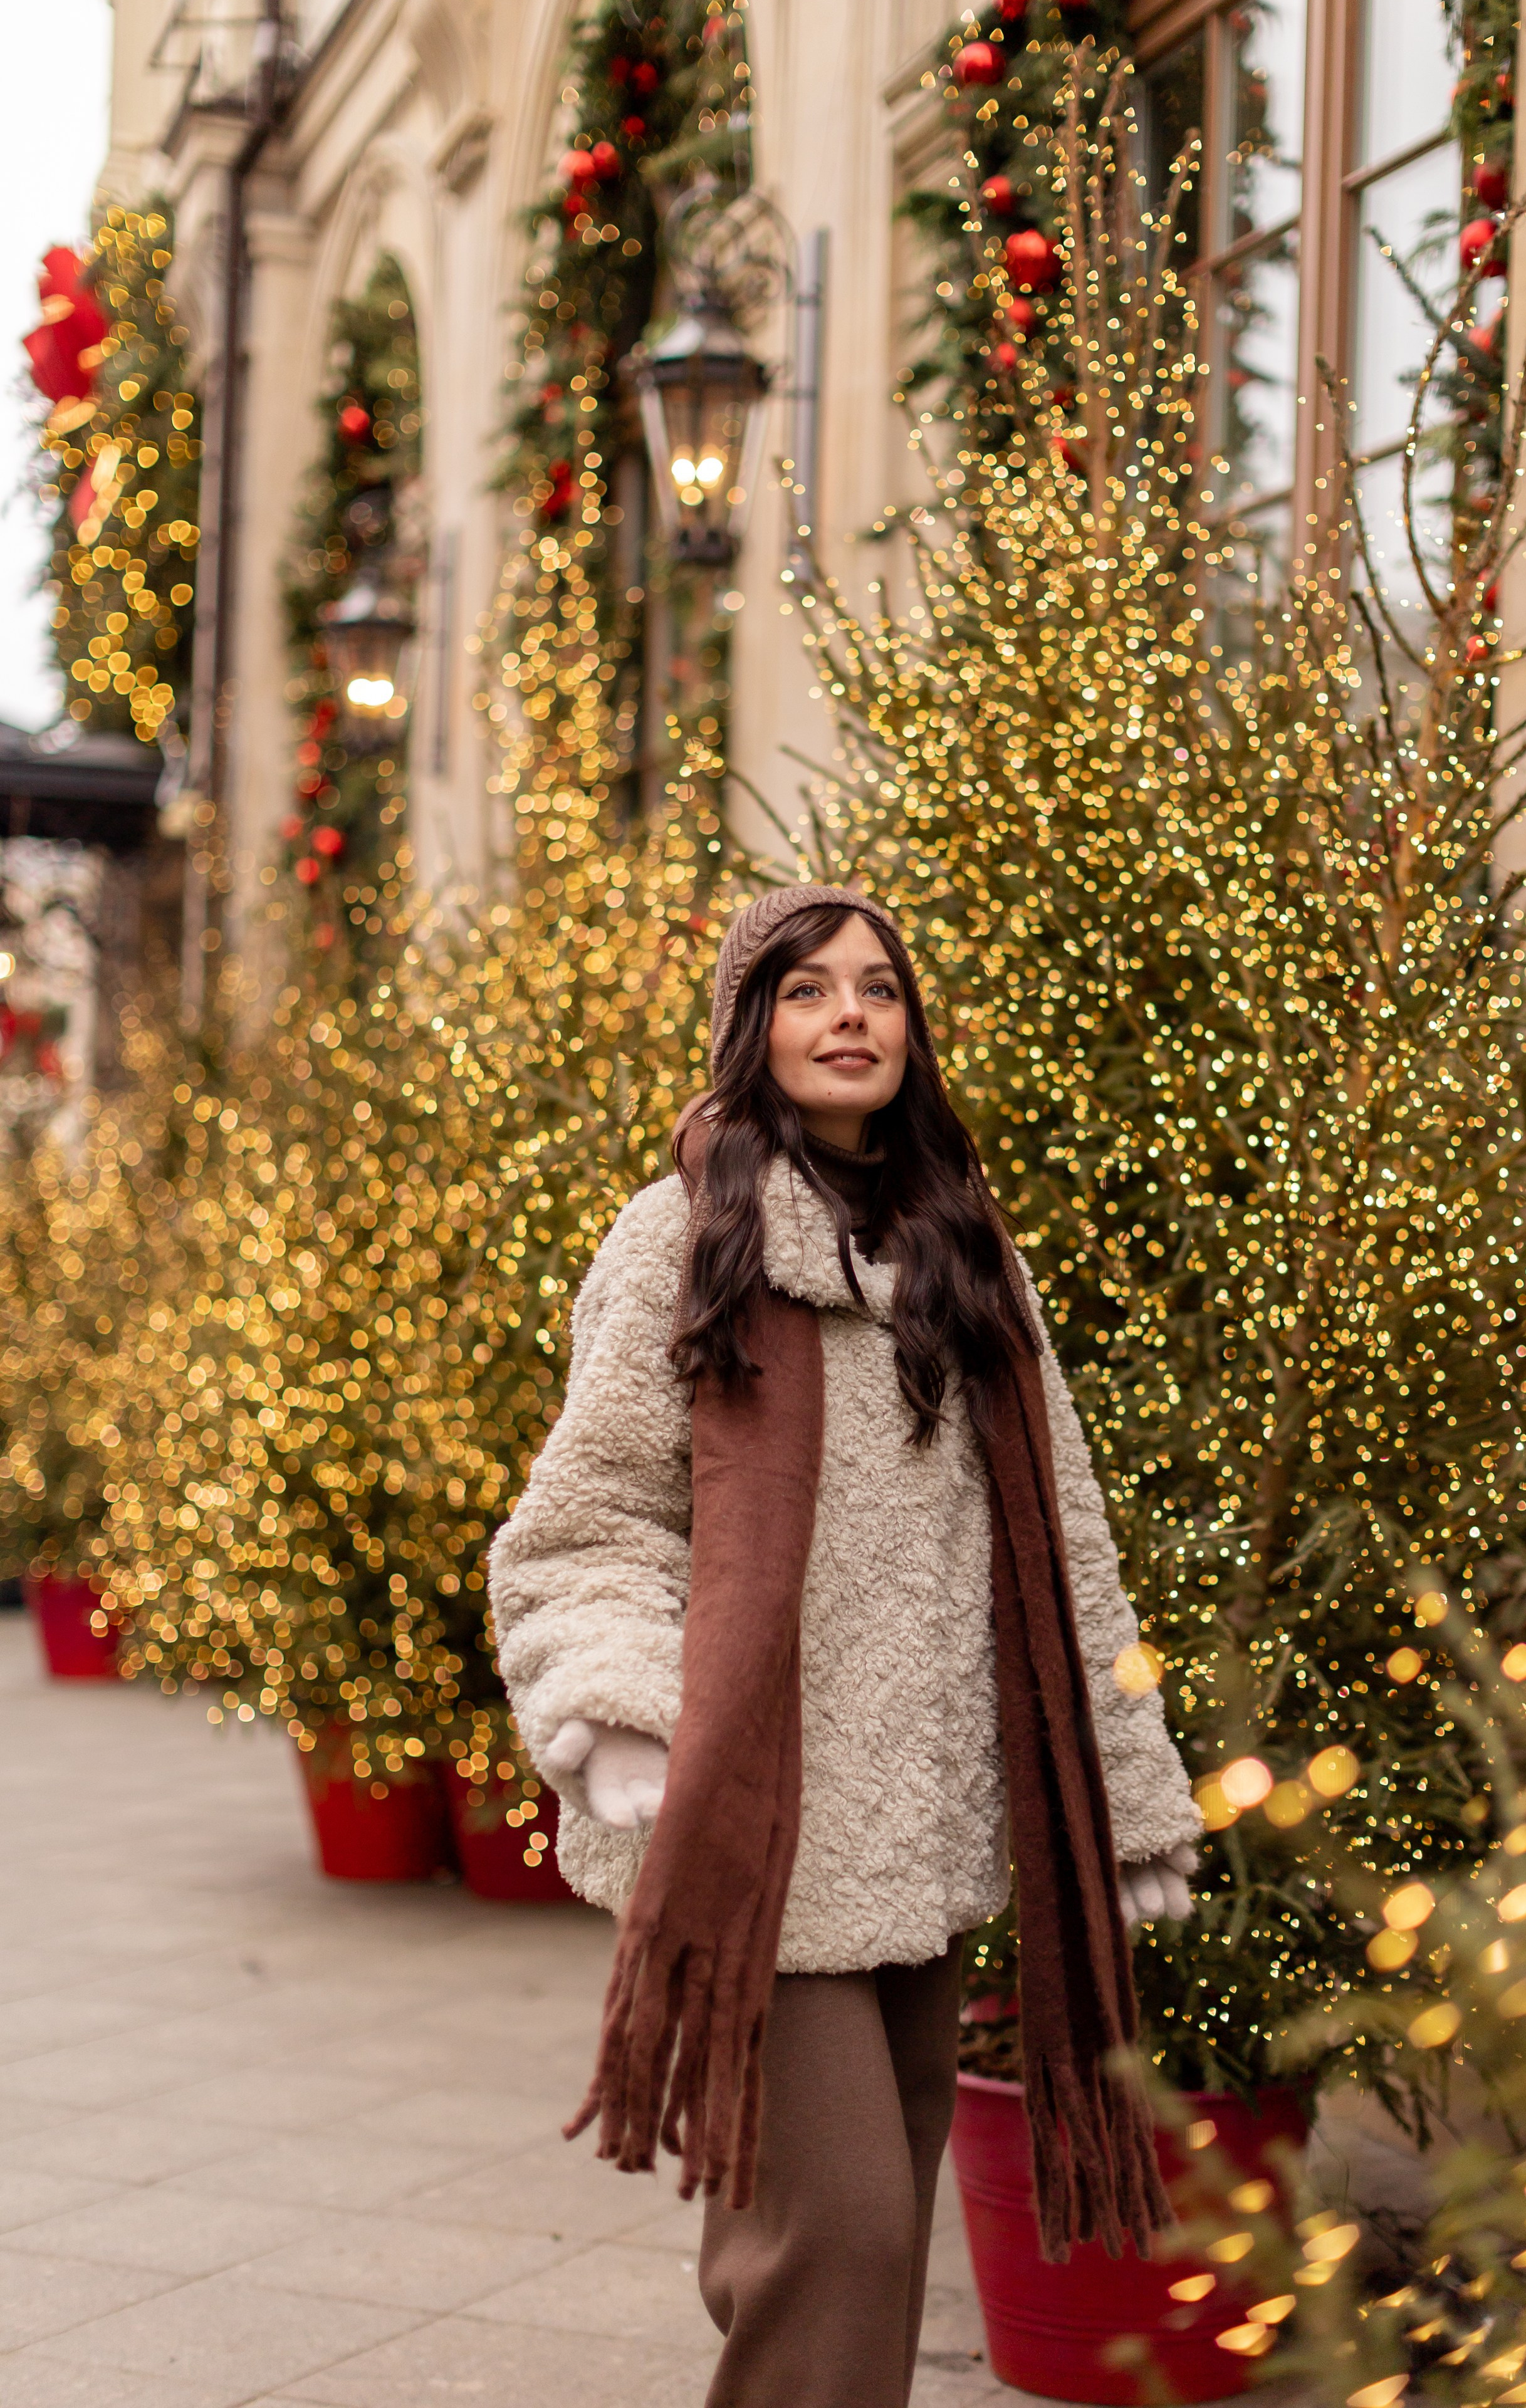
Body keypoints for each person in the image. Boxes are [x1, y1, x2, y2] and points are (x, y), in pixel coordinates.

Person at [488, 883, 1201, 2408]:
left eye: (878, 988)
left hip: (923, 1823)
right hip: (757, 1825)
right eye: (809, 990)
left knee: (865, 2235)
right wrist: (614, 1707)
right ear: (756, 1026)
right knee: (845, 2236)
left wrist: (1125, 1799)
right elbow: (591, 1514)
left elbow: (1065, 1546)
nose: (851, 1015)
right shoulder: (689, 1232)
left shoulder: (967, 1249)